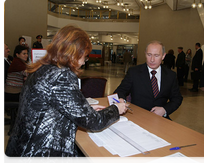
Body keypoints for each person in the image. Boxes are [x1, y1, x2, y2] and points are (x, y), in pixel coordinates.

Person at [3, 25, 128, 162]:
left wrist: (85, 109)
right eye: (85, 57)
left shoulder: (41, 68)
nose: (84, 62)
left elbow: (50, 106)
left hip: (20, 150)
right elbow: (93, 122)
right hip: (39, 154)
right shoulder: (61, 75)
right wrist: (116, 109)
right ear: (75, 53)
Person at [114, 41, 183, 120]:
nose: (152, 59)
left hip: (160, 119)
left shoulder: (170, 75)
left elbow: (177, 98)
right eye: (149, 55)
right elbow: (120, 91)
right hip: (137, 117)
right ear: (145, 54)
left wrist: (164, 110)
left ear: (163, 56)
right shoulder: (134, 72)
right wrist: (121, 99)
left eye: (156, 55)